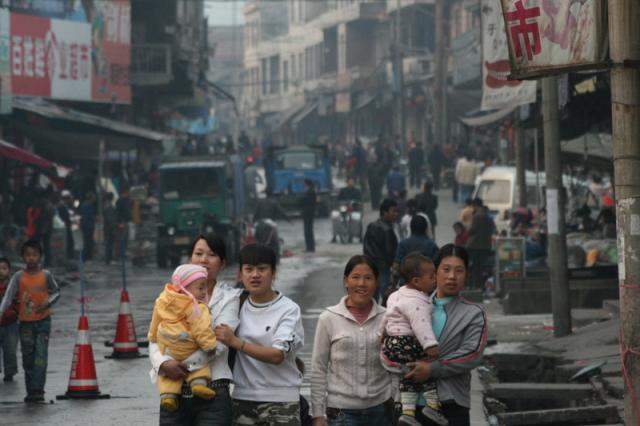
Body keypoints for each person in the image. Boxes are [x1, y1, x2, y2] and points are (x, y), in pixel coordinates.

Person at [150, 233, 242, 425]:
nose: (203, 260)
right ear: (189, 259)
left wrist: (182, 366)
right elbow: (155, 337)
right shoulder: (169, 297)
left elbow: (219, 342)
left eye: (212, 255)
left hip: (214, 390)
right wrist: (162, 364)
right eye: (198, 253)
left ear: (223, 263)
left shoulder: (229, 298)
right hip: (172, 392)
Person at [215, 243, 304, 426]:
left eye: (262, 269)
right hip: (242, 399)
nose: (255, 275)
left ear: (273, 273)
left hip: (281, 401)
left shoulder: (288, 310)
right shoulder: (235, 306)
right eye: (249, 269)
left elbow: (277, 355)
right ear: (240, 274)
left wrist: (236, 342)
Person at [404, 244, 488, 426]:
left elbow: (471, 354)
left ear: (466, 274)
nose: (452, 276)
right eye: (446, 269)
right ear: (435, 272)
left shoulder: (473, 313)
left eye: (459, 271)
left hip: (451, 404)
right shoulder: (413, 305)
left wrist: (431, 369)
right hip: (410, 406)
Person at [310, 255, 392, 426]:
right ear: (345, 281)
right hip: (341, 412)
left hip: (382, 410)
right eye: (355, 277)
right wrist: (317, 414)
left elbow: (395, 366)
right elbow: (318, 368)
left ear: (376, 282)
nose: (361, 284)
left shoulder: (388, 317)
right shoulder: (328, 318)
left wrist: (399, 404)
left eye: (368, 278)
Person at [380, 254, 446, 426]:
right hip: (407, 342)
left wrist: (381, 335)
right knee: (426, 368)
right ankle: (432, 406)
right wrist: (430, 345)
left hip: (392, 343)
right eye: (431, 276)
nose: (435, 280)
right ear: (416, 281)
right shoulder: (417, 301)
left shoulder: (396, 295)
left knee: (408, 376)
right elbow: (421, 325)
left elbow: (386, 317)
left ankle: (407, 413)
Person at [148, 264, 218, 412]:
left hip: (168, 348)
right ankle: (198, 384)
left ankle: (168, 396)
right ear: (185, 287)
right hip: (188, 347)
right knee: (201, 368)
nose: (204, 292)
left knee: (168, 377)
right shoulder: (196, 307)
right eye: (200, 288)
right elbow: (201, 329)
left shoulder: (162, 300)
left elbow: (155, 323)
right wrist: (209, 346)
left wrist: (153, 336)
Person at [0, 240, 60, 403]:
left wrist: (47, 303)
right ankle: (31, 389)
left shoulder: (46, 275)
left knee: (41, 355)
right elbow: (8, 297)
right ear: (23, 257)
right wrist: (1, 311)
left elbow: (56, 292)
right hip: (25, 323)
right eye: (28, 255)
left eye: (35, 255)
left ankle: (37, 390)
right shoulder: (18, 277)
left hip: (43, 321)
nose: (31, 258)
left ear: (40, 256)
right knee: (28, 356)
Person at [363, 199, 399, 302]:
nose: (396, 214)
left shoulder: (372, 226)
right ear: (385, 212)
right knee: (386, 297)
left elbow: (366, 247)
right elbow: (391, 252)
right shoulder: (387, 230)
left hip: (371, 267)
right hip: (383, 268)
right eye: (394, 211)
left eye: (397, 211)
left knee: (371, 298)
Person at [466, 199, 495, 290]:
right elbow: (493, 229)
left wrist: (467, 229)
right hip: (486, 246)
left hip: (475, 246)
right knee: (481, 267)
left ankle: (475, 285)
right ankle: (481, 286)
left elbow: (471, 231)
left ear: (476, 205)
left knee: (475, 267)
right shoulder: (488, 216)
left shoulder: (477, 216)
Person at [0, 257, 18, 382]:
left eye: (4, 268)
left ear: (9, 271)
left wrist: (14, 312)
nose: (1, 271)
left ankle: (10, 372)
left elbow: (19, 302)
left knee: (10, 348)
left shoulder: (14, 286)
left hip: (11, 323)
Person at [57, 190, 75, 260]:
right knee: (68, 241)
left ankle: (69, 256)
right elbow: (65, 217)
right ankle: (69, 256)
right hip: (65, 226)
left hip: (67, 225)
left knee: (69, 240)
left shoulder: (65, 205)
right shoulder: (62, 206)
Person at [115, 188, 133, 260]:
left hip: (125, 221)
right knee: (121, 239)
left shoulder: (124, 201)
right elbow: (119, 212)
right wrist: (119, 222)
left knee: (125, 239)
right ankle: (120, 254)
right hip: (122, 222)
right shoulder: (121, 201)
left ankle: (122, 253)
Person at [301, 179, 317, 253]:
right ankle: (310, 247)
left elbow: (305, 201)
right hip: (310, 213)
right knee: (309, 230)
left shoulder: (309, 192)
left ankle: (309, 247)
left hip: (308, 213)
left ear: (306, 184)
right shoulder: (311, 191)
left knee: (308, 231)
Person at [80, 192, 97, 261]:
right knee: (88, 241)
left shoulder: (84, 204)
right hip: (88, 225)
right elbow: (90, 216)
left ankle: (86, 256)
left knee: (87, 241)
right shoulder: (89, 205)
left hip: (85, 225)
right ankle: (86, 256)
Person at [103, 192, 117, 264]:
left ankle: (108, 259)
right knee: (109, 244)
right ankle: (109, 259)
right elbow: (110, 219)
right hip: (110, 228)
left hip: (107, 227)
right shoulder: (109, 206)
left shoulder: (106, 205)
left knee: (109, 243)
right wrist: (114, 227)